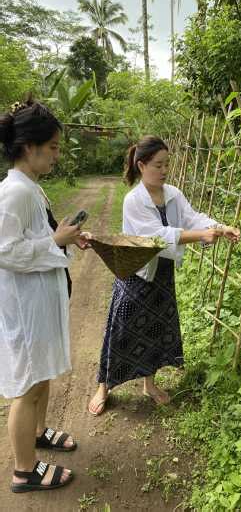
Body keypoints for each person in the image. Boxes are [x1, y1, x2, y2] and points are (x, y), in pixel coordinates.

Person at [88, 135, 240, 414]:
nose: (164, 170)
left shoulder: (173, 194)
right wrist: (199, 236)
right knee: (121, 327)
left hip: (162, 274)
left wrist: (220, 226)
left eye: (166, 164)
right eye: (158, 165)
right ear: (141, 165)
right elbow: (156, 237)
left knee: (155, 329)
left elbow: (193, 218)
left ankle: (150, 384)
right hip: (137, 272)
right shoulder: (133, 200)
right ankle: (104, 385)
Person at [0, 99, 90, 493]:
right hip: (25, 307)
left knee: (42, 373)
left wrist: (65, 238)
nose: (57, 154)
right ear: (28, 147)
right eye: (52, 147)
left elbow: (37, 239)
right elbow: (4, 250)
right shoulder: (13, 193)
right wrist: (55, 240)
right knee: (25, 383)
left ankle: (37, 433)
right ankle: (24, 470)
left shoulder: (31, 189)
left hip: (40, 301)